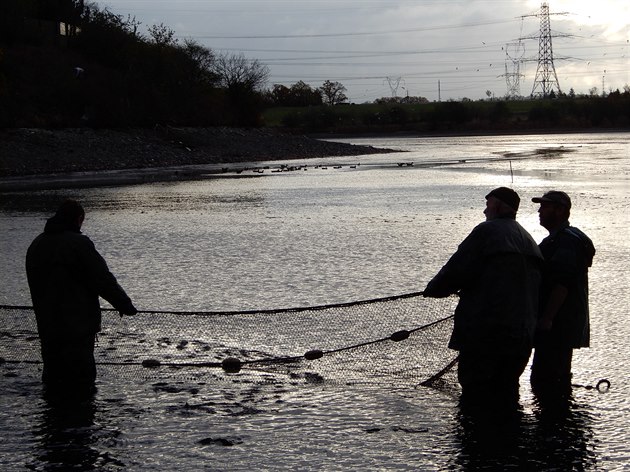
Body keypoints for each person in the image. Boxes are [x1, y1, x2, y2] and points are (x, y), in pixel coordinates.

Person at [423, 187, 543, 410]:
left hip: (486, 334)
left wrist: (434, 289)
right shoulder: (530, 241)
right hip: (522, 337)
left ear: (497, 206)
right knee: (506, 394)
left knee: (476, 397)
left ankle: (475, 442)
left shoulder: (486, 232)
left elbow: (456, 270)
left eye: (487, 205)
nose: (484, 211)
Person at [26, 200, 137, 395]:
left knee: (52, 381)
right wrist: (124, 304)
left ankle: (53, 421)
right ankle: (81, 423)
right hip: (77, 328)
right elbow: (102, 279)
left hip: (47, 326)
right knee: (81, 384)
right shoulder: (79, 244)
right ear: (78, 219)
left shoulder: (37, 244)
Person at [530, 191, 595, 399]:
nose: (539, 211)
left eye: (545, 206)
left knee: (546, 379)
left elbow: (562, 283)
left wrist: (547, 318)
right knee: (549, 378)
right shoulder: (559, 239)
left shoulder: (566, 241)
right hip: (562, 324)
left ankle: (556, 425)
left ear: (560, 211)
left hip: (559, 324)